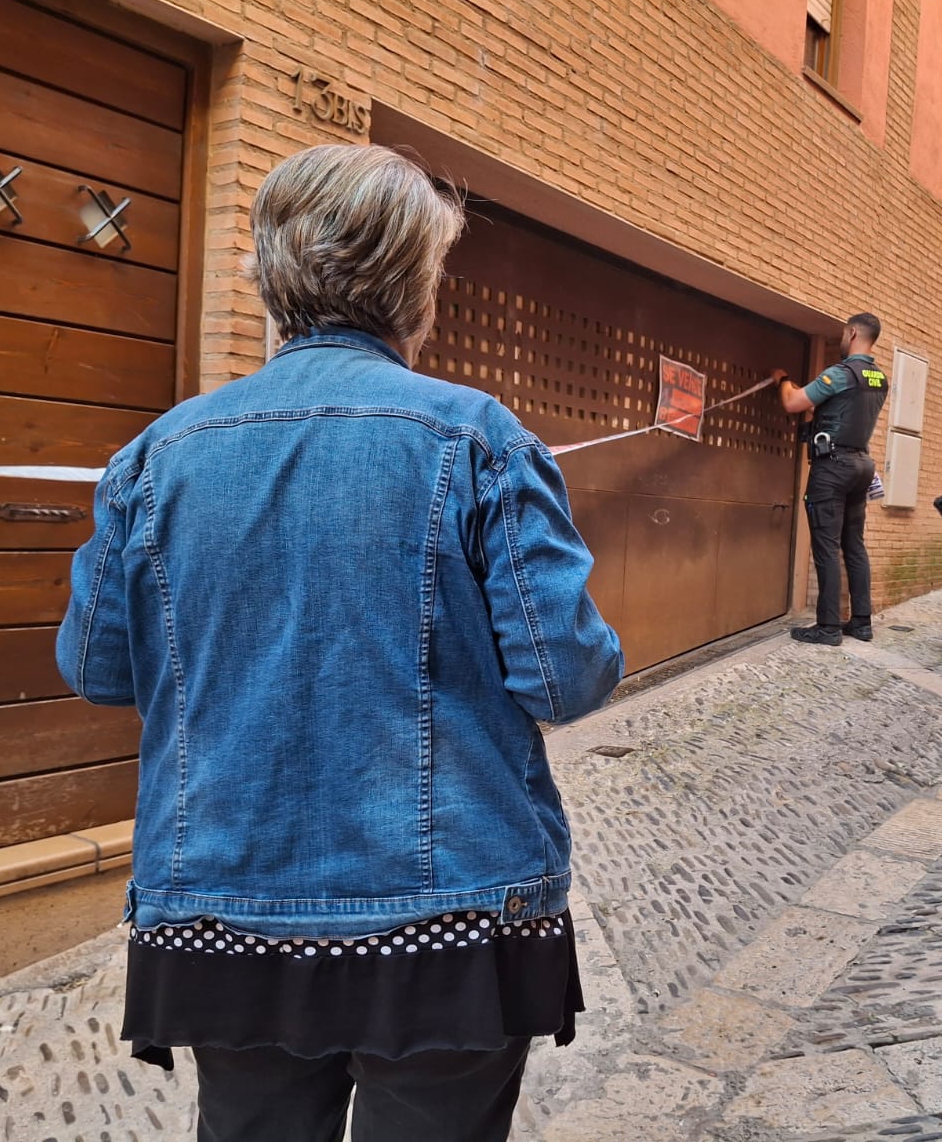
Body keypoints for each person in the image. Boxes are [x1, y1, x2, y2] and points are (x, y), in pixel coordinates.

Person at [56, 144, 625, 1141]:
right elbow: (563, 675)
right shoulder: (479, 438)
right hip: (447, 910)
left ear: (271, 283)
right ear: (418, 291)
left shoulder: (158, 454)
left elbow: (96, 668)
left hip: (224, 904)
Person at [772, 313, 889, 645]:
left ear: (852, 333)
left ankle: (828, 628)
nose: (840, 339)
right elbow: (846, 411)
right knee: (854, 544)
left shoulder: (840, 374)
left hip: (832, 467)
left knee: (826, 546)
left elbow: (794, 402)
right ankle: (862, 623)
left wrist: (783, 379)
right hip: (861, 465)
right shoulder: (879, 378)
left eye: (842, 334)